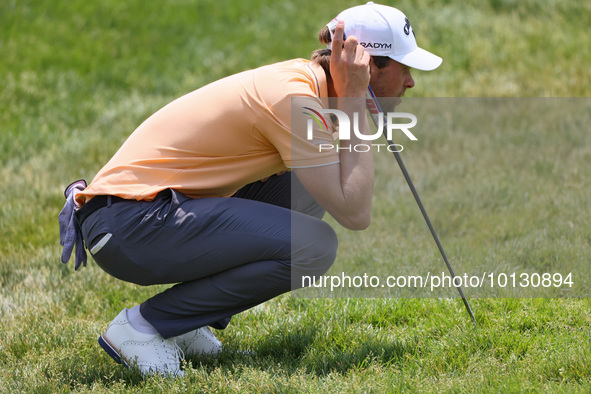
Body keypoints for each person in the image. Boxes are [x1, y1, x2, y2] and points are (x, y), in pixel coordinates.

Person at [58, 2, 441, 376]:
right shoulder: (296, 99)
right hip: (129, 225)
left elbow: (338, 190)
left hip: (147, 213)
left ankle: (188, 319)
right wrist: (357, 102)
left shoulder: (313, 91)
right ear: (366, 66)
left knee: (308, 187)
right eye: (404, 68)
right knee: (316, 246)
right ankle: (144, 326)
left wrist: (353, 105)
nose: (410, 82)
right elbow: (355, 213)